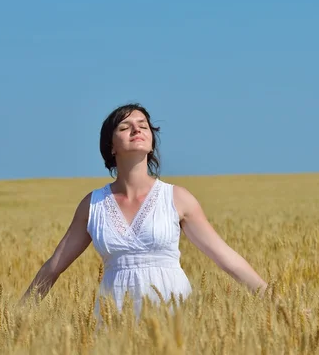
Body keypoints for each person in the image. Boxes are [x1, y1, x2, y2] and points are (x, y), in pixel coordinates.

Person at [19, 103, 268, 320]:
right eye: (125, 126)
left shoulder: (177, 198)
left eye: (143, 125)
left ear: (151, 143)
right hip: (115, 316)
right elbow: (54, 267)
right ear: (111, 145)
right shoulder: (93, 205)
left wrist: (275, 302)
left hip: (174, 316)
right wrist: (15, 318)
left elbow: (226, 257)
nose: (137, 129)